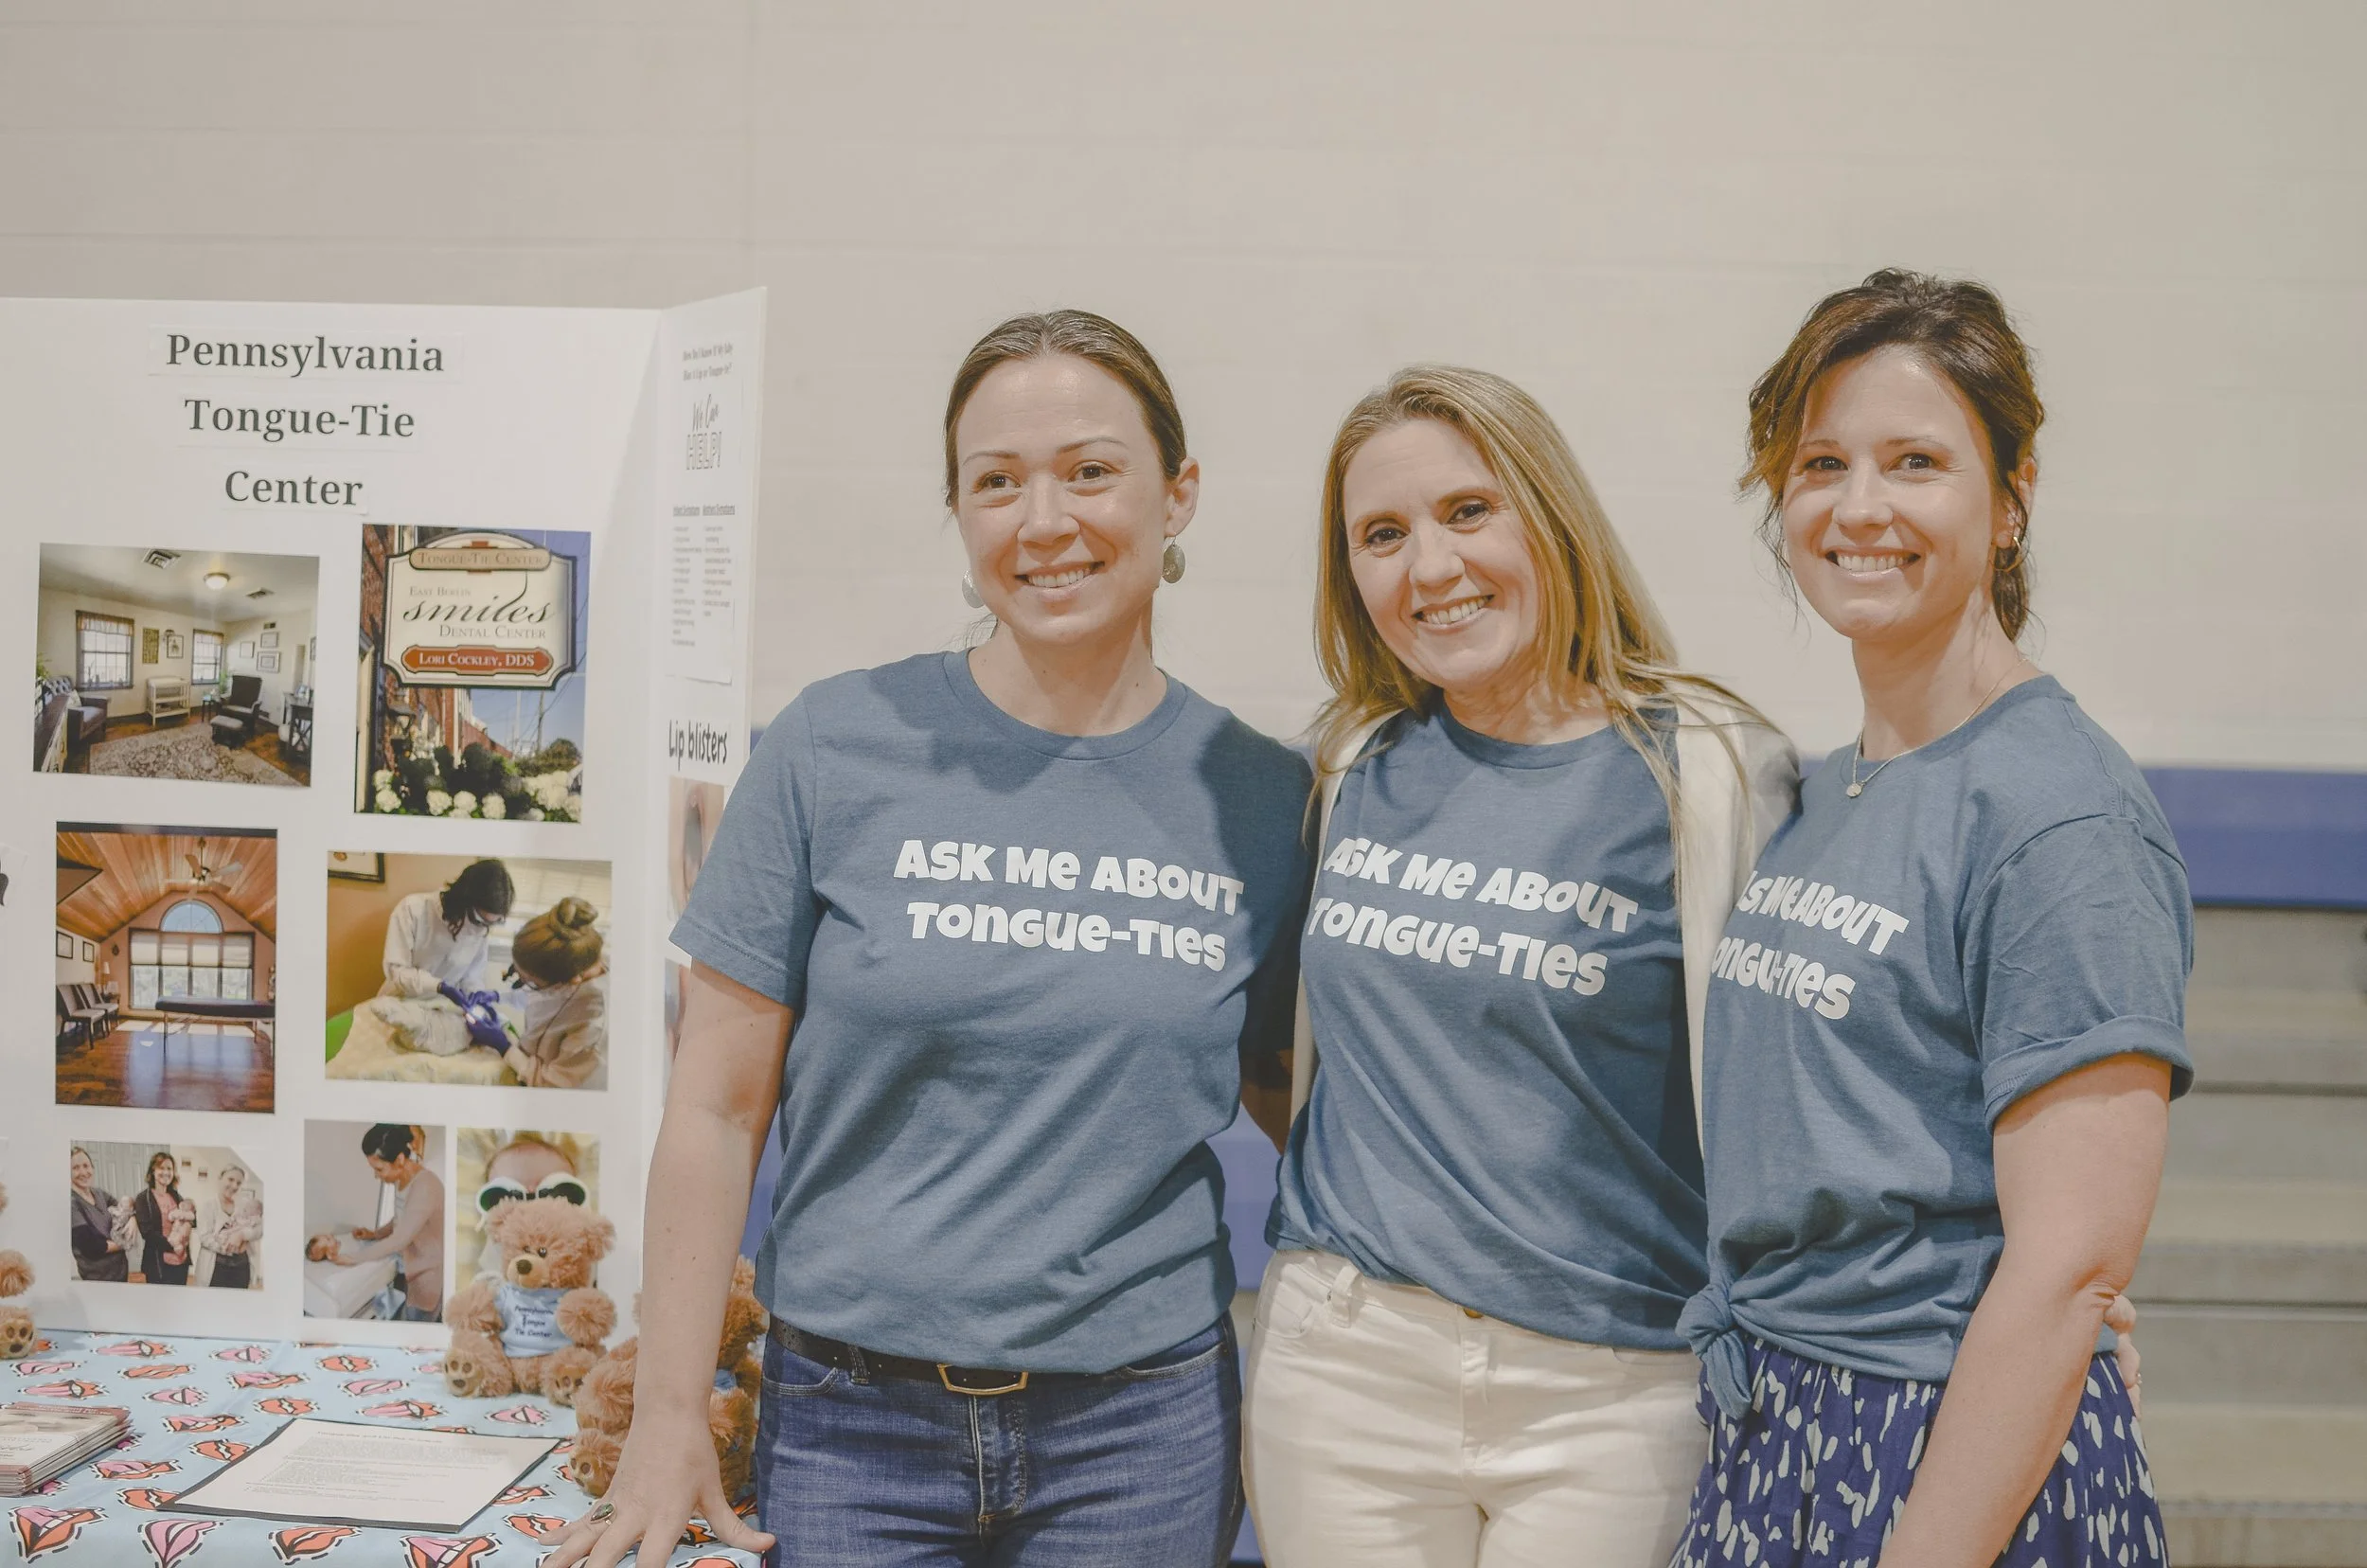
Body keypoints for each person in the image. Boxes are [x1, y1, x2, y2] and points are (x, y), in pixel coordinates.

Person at [548, 311, 1310, 1568]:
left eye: (1090, 471)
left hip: (1140, 1433)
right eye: (996, 482)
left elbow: (1299, 1097)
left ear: (1177, 494)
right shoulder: (833, 746)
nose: (1044, 520)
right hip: (852, 1428)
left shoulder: (1262, 796)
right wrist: (669, 1413)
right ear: (959, 512)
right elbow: (717, 1109)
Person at [1672, 270, 2191, 1567]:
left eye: (1915, 462)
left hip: (1936, 1448)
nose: (1859, 507)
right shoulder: (1834, 785)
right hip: (1781, 1425)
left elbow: (2068, 1270)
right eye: (1821, 464)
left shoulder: (2060, 814)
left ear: (2011, 500)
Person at [1241, 366, 1795, 1566]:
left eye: (1467, 512)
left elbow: (1802, 1082)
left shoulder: (1714, 768)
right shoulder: (1343, 765)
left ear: (1549, 515)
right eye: (1382, 536)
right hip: (1345, 1370)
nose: (1429, 566)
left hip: (1616, 1387)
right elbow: (1274, 1057)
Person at [331, 1124, 446, 1322]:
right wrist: (375, 1234)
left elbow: (400, 1239)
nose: (376, 1176)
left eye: (379, 1169)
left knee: (415, 1327)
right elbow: (401, 1219)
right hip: (411, 1268)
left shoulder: (426, 1186)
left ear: (400, 1160)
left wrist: (354, 1258)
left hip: (428, 1277)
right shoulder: (402, 1179)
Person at [500, 898, 608, 1088]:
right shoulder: (575, 958)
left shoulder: (594, 1025)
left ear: (571, 981)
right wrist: (497, 997)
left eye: (531, 982)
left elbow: (553, 1085)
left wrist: (507, 1050)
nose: (523, 985)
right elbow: (541, 1002)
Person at [379, 859, 513, 999]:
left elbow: (472, 977)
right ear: (464, 900)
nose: (482, 930)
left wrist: (476, 995)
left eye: (493, 923)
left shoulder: (482, 929)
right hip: (401, 999)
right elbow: (396, 970)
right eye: (479, 920)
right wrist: (438, 986)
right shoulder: (412, 910)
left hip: (441, 1005)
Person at [467, 1133, 588, 1279]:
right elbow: (486, 1279)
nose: (532, 1207)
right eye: (508, 1197)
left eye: (556, 1193)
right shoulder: (497, 1245)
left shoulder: (580, 1239)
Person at [67, 1146, 127, 1284]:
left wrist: (133, 1219)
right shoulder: (71, 1203)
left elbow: (124, 1209)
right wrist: (125, 1243)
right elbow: (91, 1247)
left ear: (92, 1168)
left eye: (86, 1166)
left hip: (121, 1271)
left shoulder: (99, 1194)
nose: (83, 1172)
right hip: (98, 1278)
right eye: (75, 1168)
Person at [132, 1152, 190, 1287]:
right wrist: (173, 1245)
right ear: (153, 1171)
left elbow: (189, 1219)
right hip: (158, 1264)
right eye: (161, 1168)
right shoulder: (143, 1198)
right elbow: (147, 1233)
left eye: (169, 1169)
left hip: (181, 1261)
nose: (166, 1172)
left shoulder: (176, 1196)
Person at [203, 1160, 260, 1290]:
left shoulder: (245, 1204)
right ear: (220, 1178)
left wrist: (242, 1235)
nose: (234, 1186)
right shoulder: (208, 1206)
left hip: (242, 1267)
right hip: (216, 1268)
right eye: (230, 1179)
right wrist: (228, 1247)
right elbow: (205, 1237)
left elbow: (259, 1228)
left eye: (239, 1183)